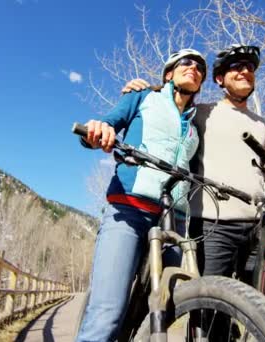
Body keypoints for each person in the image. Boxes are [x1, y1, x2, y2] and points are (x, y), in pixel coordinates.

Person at [122, 45, 265, 290]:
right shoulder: (202, 113)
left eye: (250, 67)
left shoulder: (262, 125)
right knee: (211, 307)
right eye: (236, 67)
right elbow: (171, 107)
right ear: (219, 79)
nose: (245, 71)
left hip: (256, 225)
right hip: (212, 225)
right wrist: (144, 88)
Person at [75, 48, 207, 342]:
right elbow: (108, 123)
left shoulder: (196, 126)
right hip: (130, 210)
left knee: (163, 310)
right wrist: (98, 131)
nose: (195, 68)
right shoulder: (143, 97)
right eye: (187, 62)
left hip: (175, 220)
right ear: (169, 73)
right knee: (107, 312)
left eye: (200, 67)